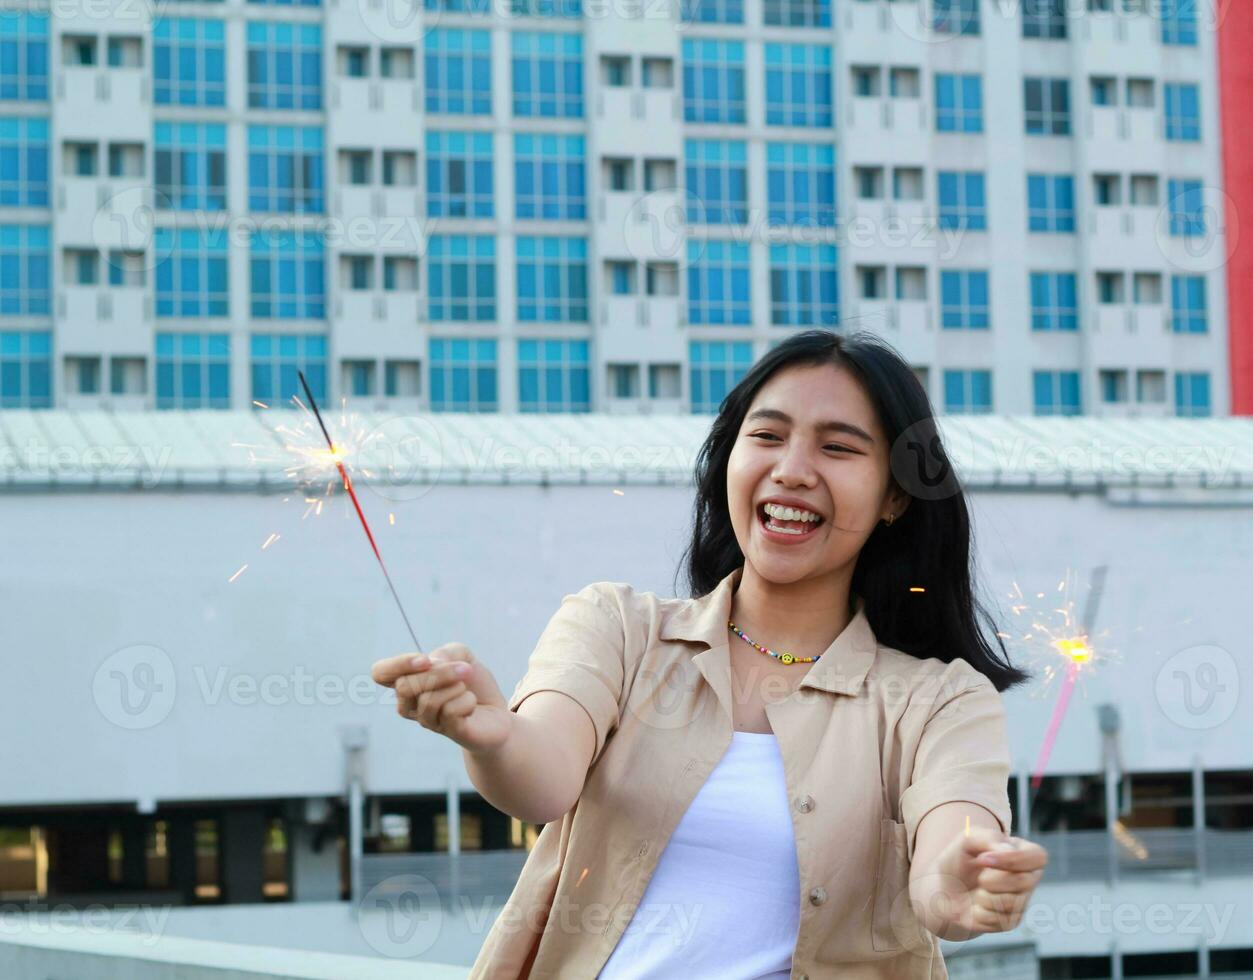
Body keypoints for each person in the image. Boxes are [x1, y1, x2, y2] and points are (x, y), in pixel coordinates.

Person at [372, 329, 1048, 979]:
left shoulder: (941, 701)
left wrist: (957, 886)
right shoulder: (617, 627)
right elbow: (540, 781)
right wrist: (492, 738)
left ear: (896, 494)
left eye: (838, 448)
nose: (791, 471)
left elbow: (953, 836)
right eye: (766, 436)